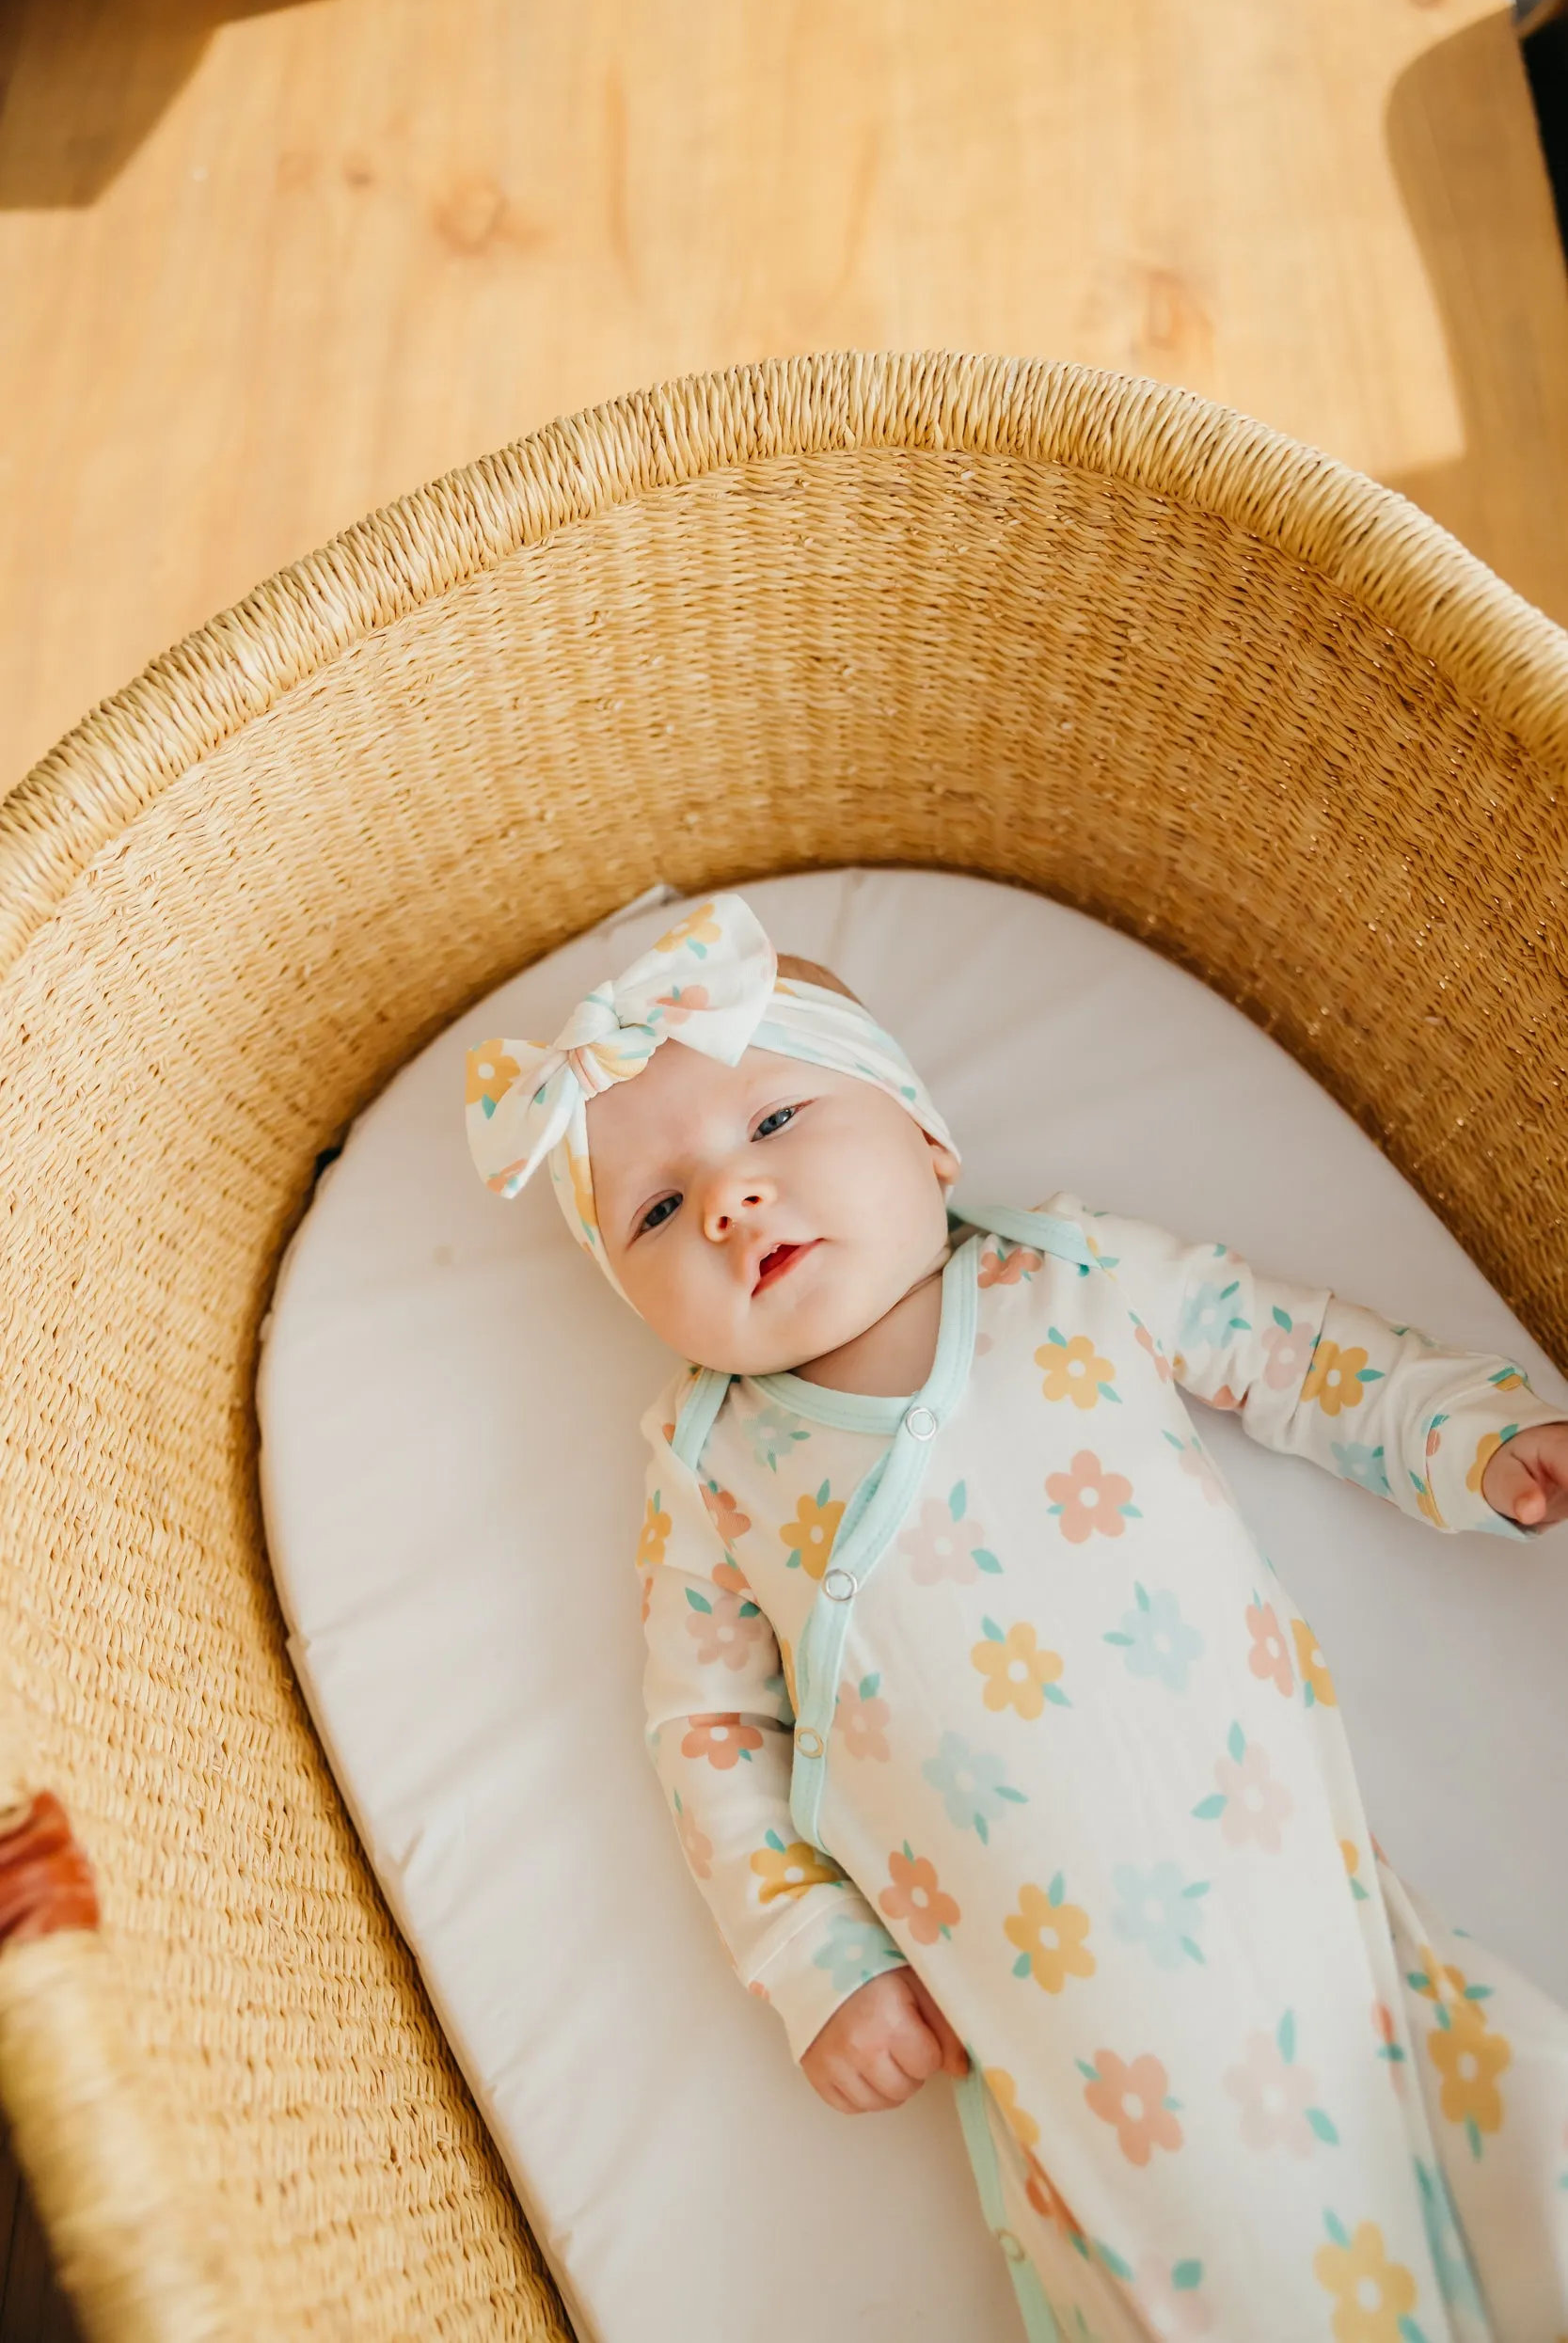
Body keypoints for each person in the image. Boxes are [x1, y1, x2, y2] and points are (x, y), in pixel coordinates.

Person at [466, 893, 1568, 2343]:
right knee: (1202, 2253)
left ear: (926, 1138)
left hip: (1273, 1886)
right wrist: (818, 1962)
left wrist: (1465, 1437)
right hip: (1055, 2000)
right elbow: (711, 1735)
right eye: (657, 1213)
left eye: (778, 1124)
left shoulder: (1068, 1276)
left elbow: (1287, 1350)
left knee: (1467, 2135)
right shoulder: (711, 1471)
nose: (729, 1199)